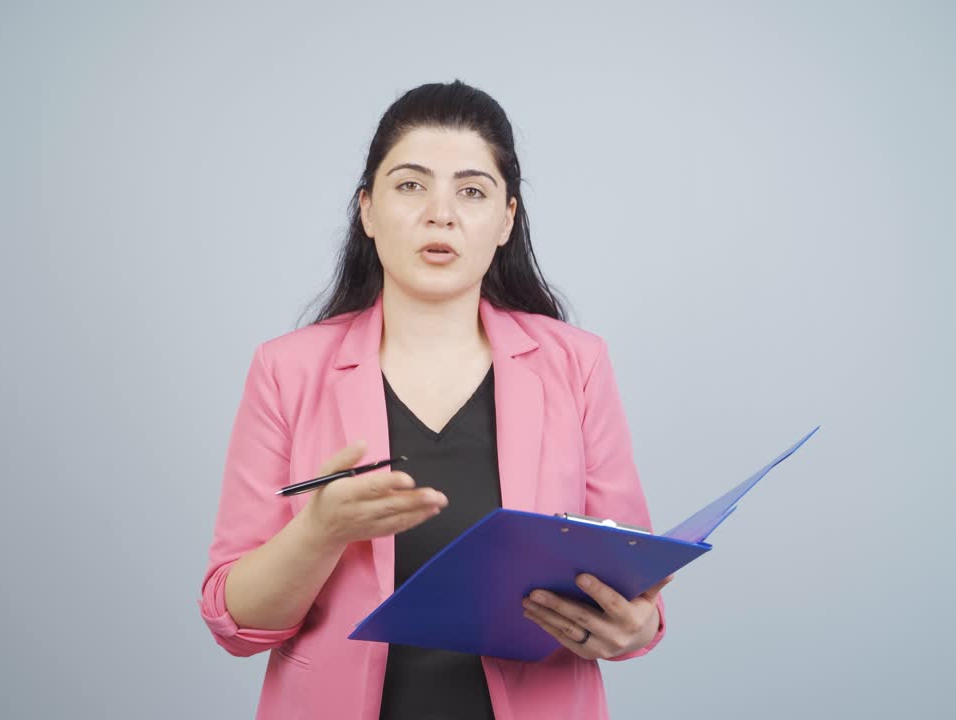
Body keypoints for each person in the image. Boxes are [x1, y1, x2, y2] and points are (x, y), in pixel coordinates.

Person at [198, 80, 672, 720]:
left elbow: (631, 576)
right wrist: (320, 530)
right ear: (366, 210)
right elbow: (235, 621)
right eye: (411, 185)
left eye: (471, 191)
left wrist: (635, 631)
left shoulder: (576, 364)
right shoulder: (286, 369)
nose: (440, 214)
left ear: (506, 220)